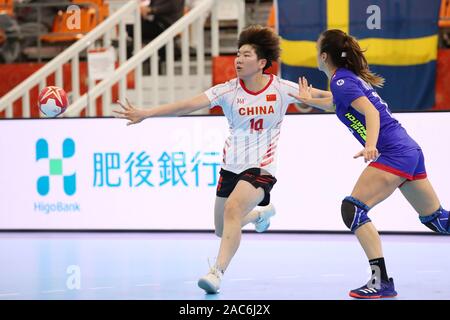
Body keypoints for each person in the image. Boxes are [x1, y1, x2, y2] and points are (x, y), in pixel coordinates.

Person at [114, 25, 331, 294]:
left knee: (232, 211)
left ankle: (216, 272)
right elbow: (186, 105)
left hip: (261, 167)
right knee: (222, 227)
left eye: (247, 55)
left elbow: (332, 100)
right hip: (230, 168)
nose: (238, 59)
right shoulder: (228, 91)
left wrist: (325, 99)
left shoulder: (281, 88)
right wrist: (147, 113)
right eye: (238, 54)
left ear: (262, 62)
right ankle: (260, 214)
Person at [289, 29, 450, 299]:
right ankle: (381, 281)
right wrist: (310, 98)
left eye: (318, 49)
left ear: (324, 56)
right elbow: (334, 103)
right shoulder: (343, 81)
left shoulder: (342, 81)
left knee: (353, 209)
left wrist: (370, 145)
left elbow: (371, 113)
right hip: (406, 148)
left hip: (393, 151)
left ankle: (380, 281)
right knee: (438, 221)